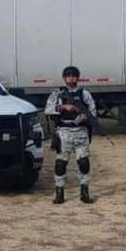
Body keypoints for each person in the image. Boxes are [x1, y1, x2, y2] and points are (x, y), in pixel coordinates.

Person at [45, 66, 97, 205]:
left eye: (74, 76)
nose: (71, 78)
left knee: (84, 163)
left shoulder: (85, 94)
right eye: (68, 76)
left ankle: (84, 192)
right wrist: (62, 107)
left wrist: (85, 117)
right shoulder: (57, 94)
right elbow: (48, 109)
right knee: (61, 163)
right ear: (64, 78)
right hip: (64, 133)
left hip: (81, 132)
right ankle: (59, 193)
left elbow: (92, 112)